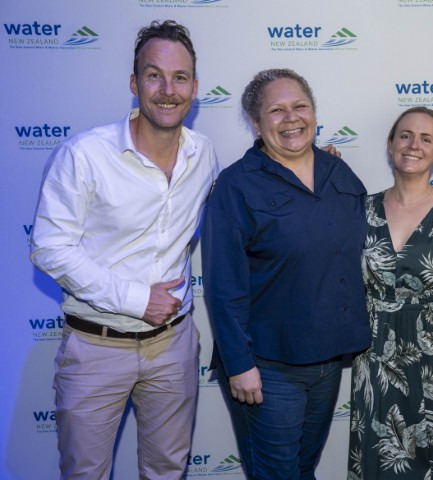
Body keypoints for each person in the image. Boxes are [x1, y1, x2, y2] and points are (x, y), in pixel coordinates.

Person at [29, 20, 220, 479]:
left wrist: (308, 161)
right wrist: (137, 299)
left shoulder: (204, 154)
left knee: (167, 471)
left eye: (179, 78)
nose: (168, 90)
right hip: (95, 347)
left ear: (195, 88)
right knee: (85, 474)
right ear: (135, 84)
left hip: (173, 346)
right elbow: (49, 248)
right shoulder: (84, 155)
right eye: (154, 75)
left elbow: (246, 201)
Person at [201, 68, 371, 479]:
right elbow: (224, 286)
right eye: (276, 110)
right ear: (256, 123)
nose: (291, 118)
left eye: (300, 106)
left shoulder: (338, 172)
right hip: (267, 366)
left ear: (314, 113)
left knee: (302, 469)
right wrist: (239, 365)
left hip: (327, 359)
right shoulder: (236, 186)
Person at [348, 107, 433, 479]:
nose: (413, 145)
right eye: (405, 136)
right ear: (391, 144)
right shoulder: (361, 210)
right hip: (375, 358)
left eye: (426, 139)